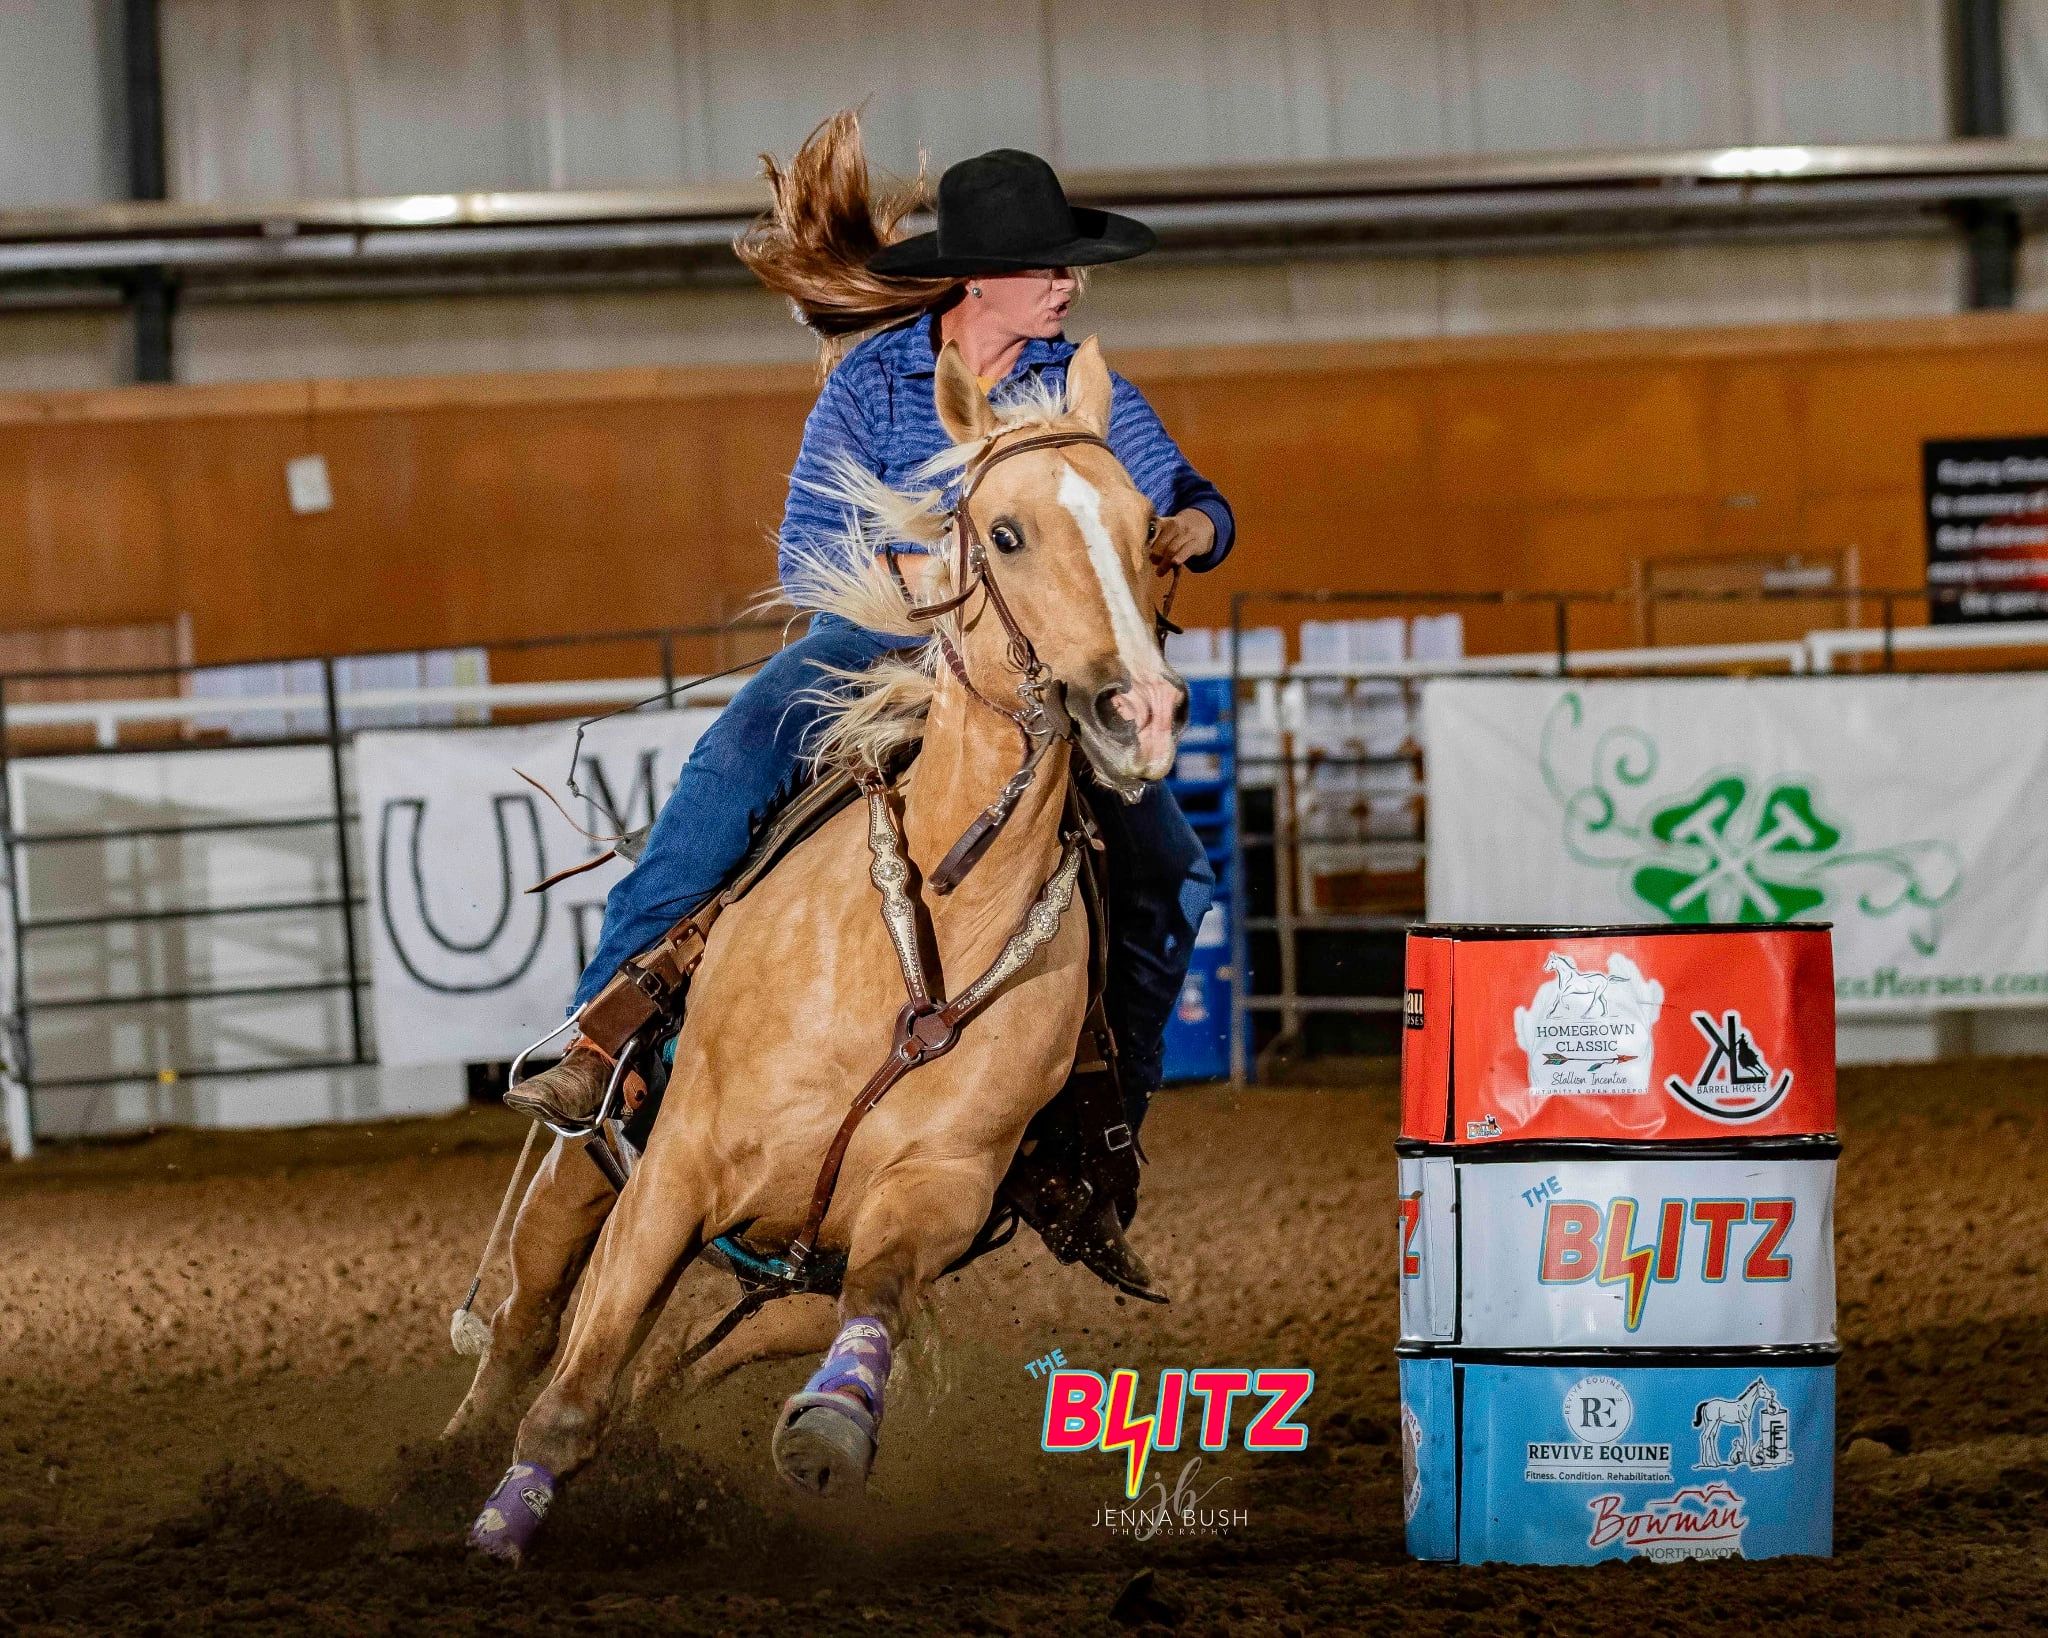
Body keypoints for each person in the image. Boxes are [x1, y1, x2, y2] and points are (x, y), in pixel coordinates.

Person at [507, 114, 1233, 1294]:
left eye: (1067, 267)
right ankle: (606, 1031)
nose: (1066, 284)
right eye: (1046, 266)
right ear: (980, 280)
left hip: (1033, 671)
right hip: (875, 642)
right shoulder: (875, 382)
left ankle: (1096, 1133)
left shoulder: (1080, 385)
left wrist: (1195, 526)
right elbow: (807, 550)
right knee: (733, 762)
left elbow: (1180, 492)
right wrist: (933, 579)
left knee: (1170, 873)